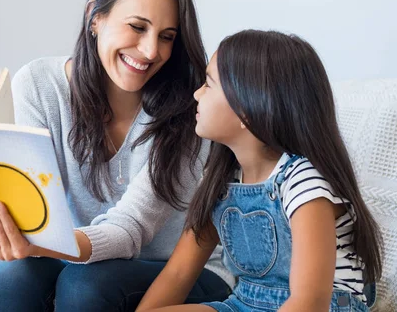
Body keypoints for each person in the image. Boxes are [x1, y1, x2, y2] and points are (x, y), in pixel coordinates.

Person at [0, 0, 233, 311]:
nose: (151, 50)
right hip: (80, 256)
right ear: (95, 17)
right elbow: (36, 211)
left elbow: (130, 229)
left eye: (167, 36)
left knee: (86, 286)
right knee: (8, 277)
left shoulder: (191, 107)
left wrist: (44, 244)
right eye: (138, 27)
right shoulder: (38, 85)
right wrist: (5, 228)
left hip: (179, 269)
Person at [137, 30, 383, 312]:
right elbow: (178, 273)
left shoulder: (303, 182)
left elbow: (310, 301)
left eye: (208, 84)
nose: (196, 94)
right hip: (244, 303)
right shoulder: (220, 182)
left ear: (246, 108)